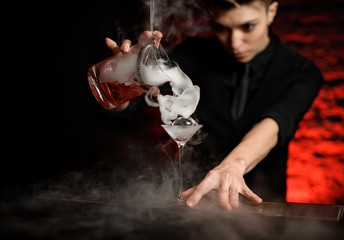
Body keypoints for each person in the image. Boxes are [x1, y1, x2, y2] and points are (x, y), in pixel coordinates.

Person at [105, 0, 323, 210]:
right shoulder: (193, 54)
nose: (235, 42)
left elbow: (275, 124)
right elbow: (129, 105)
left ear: (271, 12)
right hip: (196, 203)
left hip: (264, 207)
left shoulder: (302, 72)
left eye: (248, 27)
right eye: (222, 28)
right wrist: (122, 78)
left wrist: (232, 165)